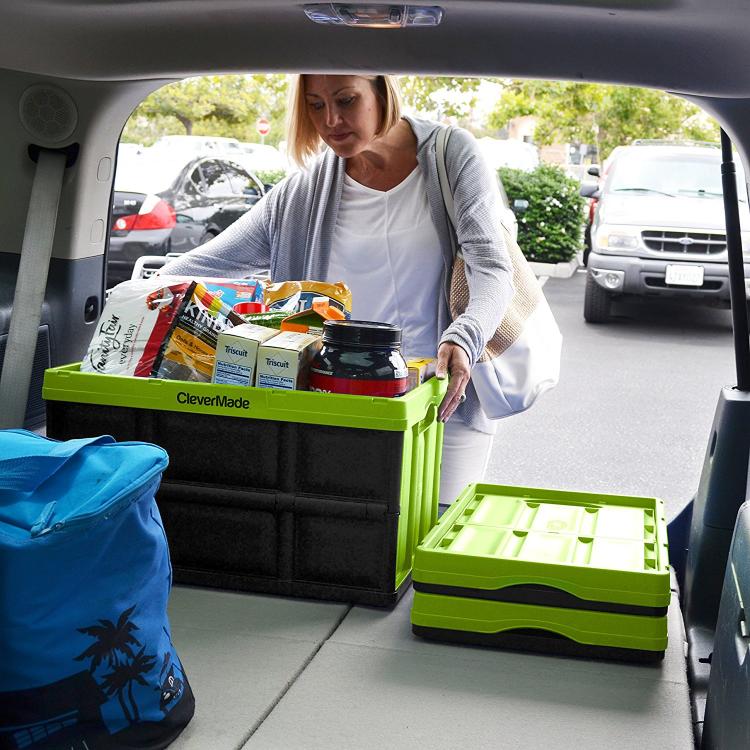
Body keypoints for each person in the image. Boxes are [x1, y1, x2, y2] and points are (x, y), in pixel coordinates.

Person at [161, 74, 514, 504]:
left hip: (440, 405)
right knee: (351, 548)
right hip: (337, 406)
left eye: (346, 100)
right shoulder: (302, 193)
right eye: (315, 105)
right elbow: (201, 265)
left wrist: (467, 334)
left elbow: (492, 267)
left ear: (383, 89)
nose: (331, 120)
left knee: (433, 549)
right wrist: (137, 294)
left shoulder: (450, 156)